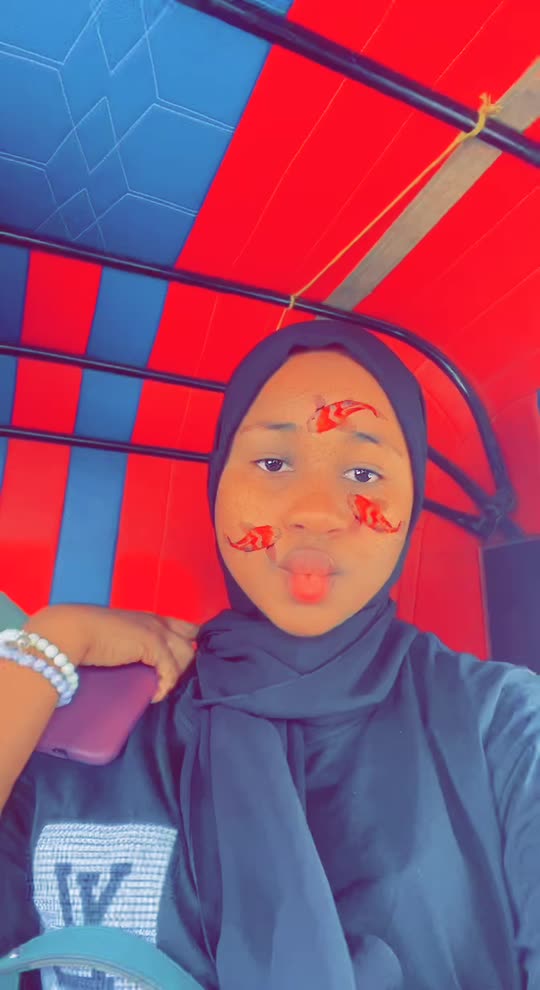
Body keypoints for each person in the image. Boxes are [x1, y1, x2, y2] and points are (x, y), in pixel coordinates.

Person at [1, 318, 539, 990]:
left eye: (364, 470)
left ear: (413, 503)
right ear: (219, 481)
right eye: (273, 462)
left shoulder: (503, 726)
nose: (315, 511)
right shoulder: (84, 715)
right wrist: (44, 651)